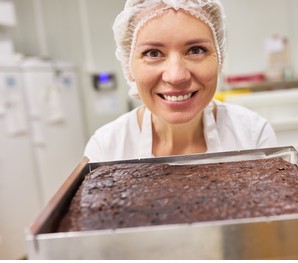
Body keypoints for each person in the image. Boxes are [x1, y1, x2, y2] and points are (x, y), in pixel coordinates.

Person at [84, 0, 277, 162]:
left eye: (196, 50)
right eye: (153, 53)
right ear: (129, 65)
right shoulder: (106, 150)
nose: (176, 76)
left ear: (220, 57)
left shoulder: (252, 136)